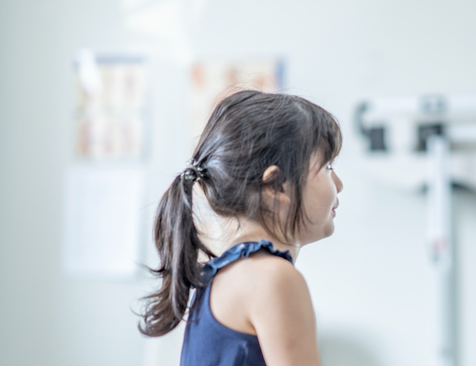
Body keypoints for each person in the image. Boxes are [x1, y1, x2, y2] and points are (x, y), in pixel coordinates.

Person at [139, 90, 343, 366]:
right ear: (277, 185)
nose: (339, 184)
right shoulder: (273, 278)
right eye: (328, 166)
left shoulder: (219, 274)